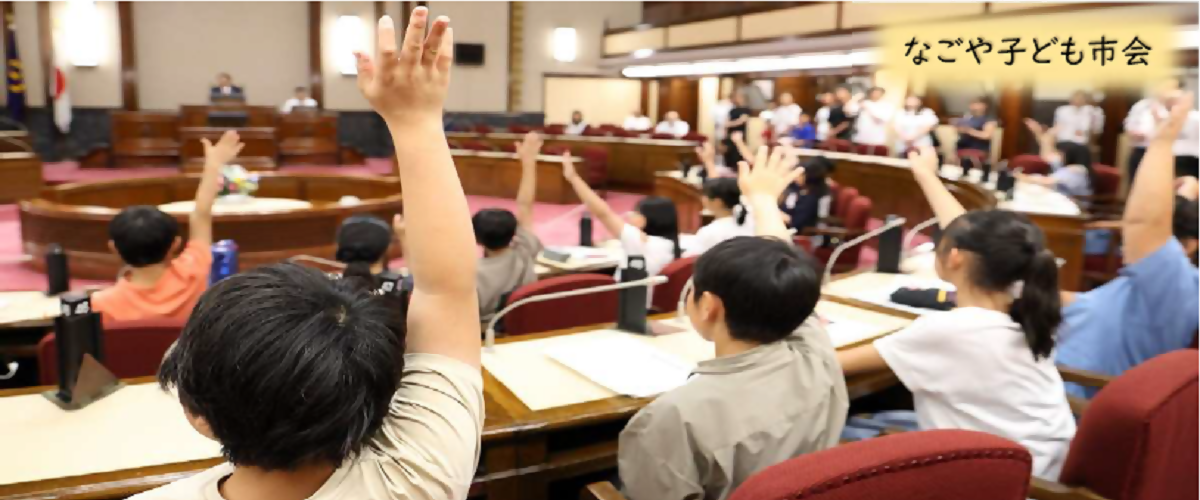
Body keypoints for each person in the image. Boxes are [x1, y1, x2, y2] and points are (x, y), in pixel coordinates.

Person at [130, 11, 484, 500]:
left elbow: (446, 290)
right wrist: (417, 121)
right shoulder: (421, 476)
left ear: (197, 416)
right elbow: (446, 289)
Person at [618, 144, 847, 500]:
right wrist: (763, 200)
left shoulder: (673, 417)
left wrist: (762, 199)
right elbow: (787, 277)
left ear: (708, 306)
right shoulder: (817, 356)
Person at [837, 145, 1076, 481]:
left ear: (956, 258)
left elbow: (834, 363)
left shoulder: (952, 330)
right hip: (1037, 467)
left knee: (843, 430)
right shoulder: (1025, 302)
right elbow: (969, 235)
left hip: (997, 482)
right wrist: (926, 176)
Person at [1056, 93, 1200, 399]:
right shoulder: (1146, 284)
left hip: (1072, 399)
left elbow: (1146, 223)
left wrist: (1164, 140)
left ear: (1188, 246)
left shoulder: (1177, 288)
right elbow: (1092, 306)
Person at [91, 131, 243, 324]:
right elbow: (201, 214)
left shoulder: (102, 304)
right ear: (175, 244)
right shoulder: (194, 271)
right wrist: (214, 164)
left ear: (113, 248)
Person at [560, 152, 679, 300]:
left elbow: (603, 212)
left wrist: (573, 178)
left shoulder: (638, 241)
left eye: (635, 212)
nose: (629, 215)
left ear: (644, 220)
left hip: (624, 305)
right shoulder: (670, 244)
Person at [475, 131, 544, 327]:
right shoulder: (525, 252)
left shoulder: (470, 273)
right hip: (524, 327)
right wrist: (529, 163)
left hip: (485, 334)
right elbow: (525, 206)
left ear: (477, 239)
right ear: (514, 233)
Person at [1018, 119, 1096, 199]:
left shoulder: (1077, 170)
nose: (1057, 155)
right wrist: (1039, 133)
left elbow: (1047, 181)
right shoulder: (1063, 166)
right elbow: (1047, 156)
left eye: (1060, 153)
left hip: (1072, 204)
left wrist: (1021, 177)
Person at [1123, 78, 1180, 181]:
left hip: (1166, 153)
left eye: (1173, 88)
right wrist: (1139, 135)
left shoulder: (1178, 109)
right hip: (1141, 151)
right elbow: (1129, 128)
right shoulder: (1142, 106)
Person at [683, 177, 754, 257]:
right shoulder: (751, 221)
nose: (701, 199)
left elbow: (691, 258)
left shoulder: (710, 231)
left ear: (717, 202)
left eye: (704, 195)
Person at [779, 157, 831, 233]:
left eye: (801, 175)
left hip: (802, 234)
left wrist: (784, 217)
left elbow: (797, 223)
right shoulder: (797, 190)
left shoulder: (812, 198)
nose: (796, 177)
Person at [723, 92, 752, 168]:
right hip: (730, 135)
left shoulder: (746, 110)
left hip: (740, 135)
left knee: (738, 153)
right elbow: (726, 123)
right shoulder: (732, 110)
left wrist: (731, 123)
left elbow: (742, 120)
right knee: (729, 153)